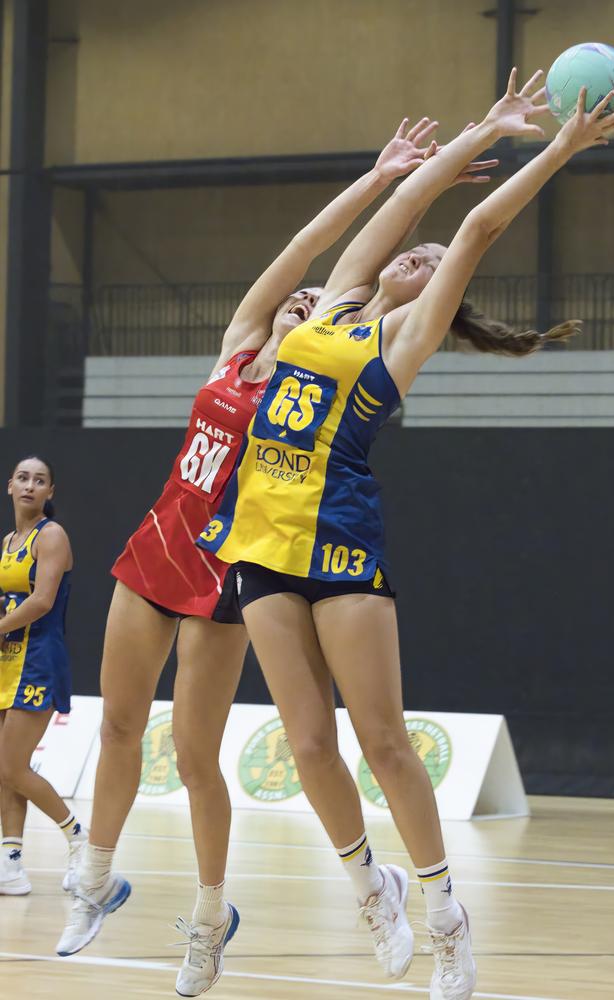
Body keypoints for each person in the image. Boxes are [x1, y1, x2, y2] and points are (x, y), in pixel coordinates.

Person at [198, 78, 614, 1000]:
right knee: (306, 743)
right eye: (413, 254)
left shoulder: (400, 344)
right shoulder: (333, 303)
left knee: (384, 742)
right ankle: (371, 888)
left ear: (434, 296)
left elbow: (472, 232)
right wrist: (485, 128)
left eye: (431, 265)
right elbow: (405, 204)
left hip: (343, 541)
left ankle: (445, 917)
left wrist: (556, 150)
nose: (420, 255)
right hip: (262, 543)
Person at [56, 118, 495, 995]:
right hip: (160, 542)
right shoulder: (241, 346)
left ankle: (213, 918)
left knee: (190, 756)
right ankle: (92, 879)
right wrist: (378, 180)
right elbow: (305, 246)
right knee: (114, 725)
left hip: (240, 558)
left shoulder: (318, 373)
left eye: (314, 305)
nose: (300, 303)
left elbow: (379, 299)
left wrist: (407, 258)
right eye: (296, 302)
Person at [0, 456, 84, 897]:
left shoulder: (51, 536)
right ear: (9, 486)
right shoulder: (8, 540)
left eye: (40, 480)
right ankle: (11, 862)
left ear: (50, 492)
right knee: (6, 771)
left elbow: (42, 600)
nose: (30, 485)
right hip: (8, 660)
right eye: (23, 478)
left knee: (11, 766)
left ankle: (80, 841)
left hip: (39, 660)